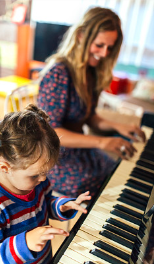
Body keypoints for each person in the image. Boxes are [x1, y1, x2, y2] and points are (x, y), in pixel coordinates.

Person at [37, 7, 146, 197]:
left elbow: (89, 116)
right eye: (99, 45)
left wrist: (118, 126)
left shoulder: (91, 70)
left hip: (80, 150)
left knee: (123, 175)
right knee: (112, 189)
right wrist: (101, 142)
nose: (104, 53)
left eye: (110, 47)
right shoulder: (59, 73)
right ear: (80, 36)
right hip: (57, 160)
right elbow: (51, 132)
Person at [0, 104, 91, 264]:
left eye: (45, 172)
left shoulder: (36, 182)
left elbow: (44, 205)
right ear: (5, 167)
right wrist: (24, 243)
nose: (42, 179)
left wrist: (61, 206)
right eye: (35, 174)